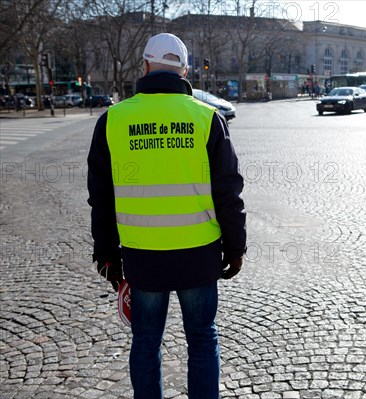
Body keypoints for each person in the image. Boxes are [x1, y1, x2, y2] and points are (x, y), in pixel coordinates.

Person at [87, 32, 246, 399]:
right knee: (203, 341)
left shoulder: (113, 120)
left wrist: (107, 254)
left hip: (143, 259)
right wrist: (235, 248)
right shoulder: (207, 118)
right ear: (186, 70)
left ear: (143, 66)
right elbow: (228, 191)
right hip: (199, 255)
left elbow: (102, 198)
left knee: (145, 343)